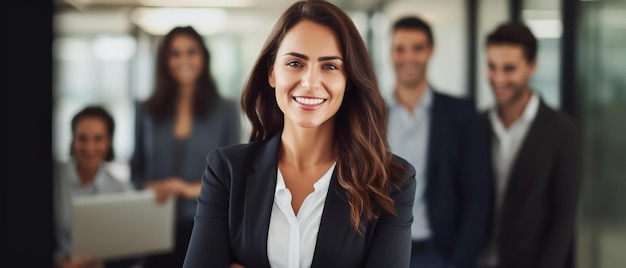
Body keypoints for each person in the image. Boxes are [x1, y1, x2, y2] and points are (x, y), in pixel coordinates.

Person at [183, 1, 417, 267]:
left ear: (348, 79)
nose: (310, 82)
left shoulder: (391, 181)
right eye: (295, 63)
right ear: (272, 72)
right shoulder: (227, 171)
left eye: (329, 66)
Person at [384, 16, 493, 268]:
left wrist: (461, 260)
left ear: (430, 51)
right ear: (391, 53)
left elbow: (477, 195)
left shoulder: (460, 114)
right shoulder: (370, 114)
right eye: (400, 48)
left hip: (439, 256)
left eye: (417, 48)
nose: (408, 57)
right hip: (381, 254)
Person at [129, 25, 242, 268]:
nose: (184, 60)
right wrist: (152, 187)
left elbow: (234, 176)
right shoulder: (146, 110)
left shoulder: (225, 110)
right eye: (175, 53)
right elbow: (135, 172)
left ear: (203, 57)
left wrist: (187, 189)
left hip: (205, 224)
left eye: (191, 52)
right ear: (165, 60)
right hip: (152, 224)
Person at [477, 21, 582, 268]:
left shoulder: (563, 131)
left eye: (509, 68)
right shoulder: (477, 124)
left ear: (532, 67)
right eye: (492, 67)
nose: (498, 78)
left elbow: (563, 218)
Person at [54, 105, 136, 268]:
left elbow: (132, 252)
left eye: (98, 139)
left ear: (109, 141)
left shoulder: (123, 190)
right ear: (73, 139)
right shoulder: (55, 177)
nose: (89, 148)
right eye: (82, 138)